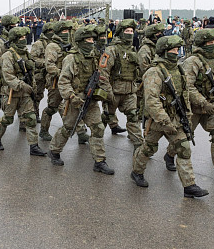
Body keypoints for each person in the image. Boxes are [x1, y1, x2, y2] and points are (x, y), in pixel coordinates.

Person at [130, 35, 209, 198]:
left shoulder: (179, 69)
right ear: (164, 51)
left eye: (177, 49)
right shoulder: (154, 72)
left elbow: (184, 95)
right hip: (158, 121)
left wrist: (186, 115)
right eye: (172, 50)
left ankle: (189, 186)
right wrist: (164, 121)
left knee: (184, 148)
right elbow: (151, 100)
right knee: (149, 148)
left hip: (176, 119)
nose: (176, 52)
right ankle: (137, 172)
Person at [48, 25, 114, 174]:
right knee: (68, 128)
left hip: (90, 101)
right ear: (80, 41)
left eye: (92, 39)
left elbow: (101, 75)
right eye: (88, 39)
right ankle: (54, 150)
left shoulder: (95, 57)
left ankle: (99, 161)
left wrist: (105, 88)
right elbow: (63, 82)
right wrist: (72, 97)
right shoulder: (71, 58)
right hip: (75, 100)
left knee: (98, 128)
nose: (91, 42)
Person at [178, 28, 214, 182]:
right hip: (195, 108)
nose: (212, 45)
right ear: (201, 43)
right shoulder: (193, 61)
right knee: (183, 138)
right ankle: (169, 155)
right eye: (209, 42)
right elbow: (188, 87)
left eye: (213, 42)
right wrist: (203, 102)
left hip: (213, 105)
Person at [0, 27, 45, 155]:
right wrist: (21, 85)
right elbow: (8, 76)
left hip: (25, 94)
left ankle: (34, 146)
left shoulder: (26, 54)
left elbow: (31, 73)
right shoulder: (8, 55)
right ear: (14, 40)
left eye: (24, 37)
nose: (23, 40)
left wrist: (33, 88)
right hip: (11, 93)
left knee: (30, 118)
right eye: (20, 38)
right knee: (7, 119)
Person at [98, 19, 143, 150]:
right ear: (121, 33)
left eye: (132, 31)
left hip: (130, 92)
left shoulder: (132, 49)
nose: (130, 33)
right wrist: (108, 92)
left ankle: (139, 146)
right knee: (106, 117)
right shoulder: (112, 50)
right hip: (114, 92)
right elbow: (102, 72)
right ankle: (96, 141)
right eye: (127, 31)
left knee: (133, 117)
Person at [40, 21, 88, 143]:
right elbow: (49, 65)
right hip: (55, 82)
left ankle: (81, 132)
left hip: (70, 81)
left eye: (67, 31)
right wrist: (61, 73)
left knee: (75, 105)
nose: (66, 33)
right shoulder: (53, 46)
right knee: (52, 108)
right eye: (64, 31)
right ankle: (44, 130)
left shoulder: (71, 44)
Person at [30, 21, 54, 123]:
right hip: (40, 73)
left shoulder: (54, 43)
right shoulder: (39, 44)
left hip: (51, 74)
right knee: (37, 95)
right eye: (51, 31)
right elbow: (32, 58)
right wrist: (45, 63)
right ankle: (34, 113)